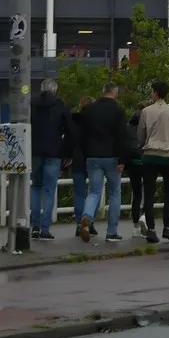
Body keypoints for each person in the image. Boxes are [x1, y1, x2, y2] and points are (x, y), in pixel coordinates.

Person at [78, 83, 127, 244]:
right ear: (115, 93)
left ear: (102, 91)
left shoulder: (90, 110)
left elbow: (82, 135)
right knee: (114, 193)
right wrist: (122, 160)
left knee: (94, 191)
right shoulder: (118, 111)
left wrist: (86, 154)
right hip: (112, 157)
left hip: (92, 156)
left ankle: (86, 217)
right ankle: (111, 232)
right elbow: (121, 136)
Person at [138, 81, 169, 245]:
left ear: (156, 93)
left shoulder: (146, 111)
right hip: (167, 156)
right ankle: (167, 227)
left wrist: (142, 147)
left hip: (150, 154)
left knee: (149, 192)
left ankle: (151, 229)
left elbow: (141, 135)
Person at [29, 78, 73, 240]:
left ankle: (34, 226)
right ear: (55, 90)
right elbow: (69, 130)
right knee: (49, 190)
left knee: (35, 187)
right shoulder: (60, 105)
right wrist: (68, 154)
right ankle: (45, 228)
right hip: (54, 153)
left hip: (34, 152)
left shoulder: (31, 103)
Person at [70, 96, 93, 237]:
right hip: (92, 158)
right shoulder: (95, 122)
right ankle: (90, 220)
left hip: (77, 159)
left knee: (79, 192)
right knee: (94, 192)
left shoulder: (74, 120)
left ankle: (80, 223)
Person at [127, 101, 150, 235]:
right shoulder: (148, 122)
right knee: (149, 191)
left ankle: (135, 225)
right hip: (146, 159)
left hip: (132, 161)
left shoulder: (129, 124)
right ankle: (144, 217)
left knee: (136, 193)